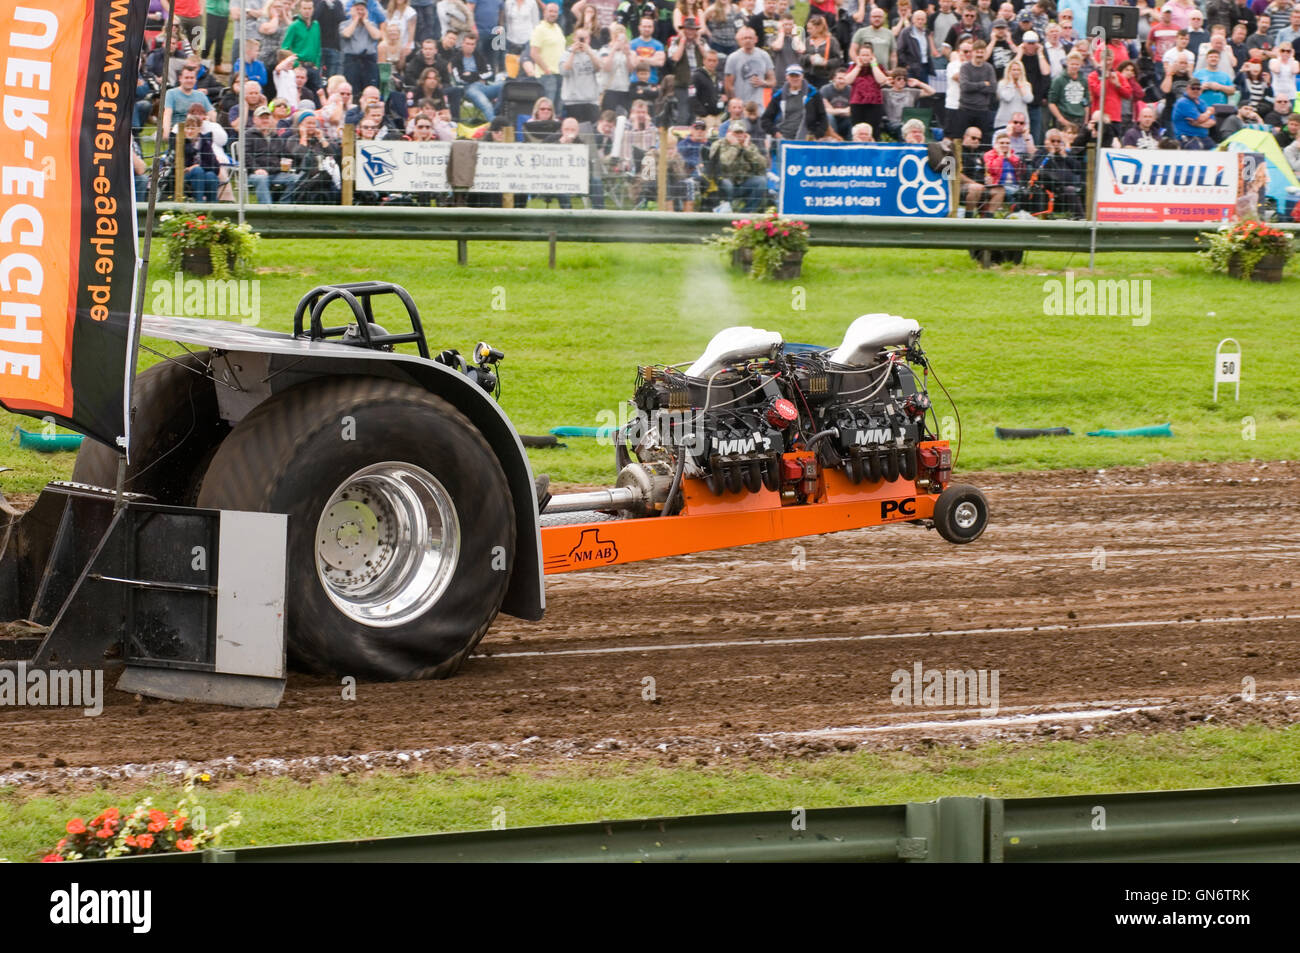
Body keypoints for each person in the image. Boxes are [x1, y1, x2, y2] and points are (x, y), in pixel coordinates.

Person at [709, 121, 768, 209]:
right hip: (724, 184)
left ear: (745, 134)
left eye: (741, 133)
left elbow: (763, 165)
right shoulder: (718, 144)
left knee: (761, 181)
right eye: (736, 133)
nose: (739, 135)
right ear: (729, 133)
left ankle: (747, 214)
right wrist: (735, 146)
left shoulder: (749, 146)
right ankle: (726, 213)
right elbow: (724, 163)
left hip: (743, 183)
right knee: (727, 183)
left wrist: (747, 149)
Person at [761, 63, 828, 141]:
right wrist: (776, 133)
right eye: (792, 76)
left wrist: (816, 135)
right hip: (783, 138)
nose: (794, 78)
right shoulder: (778, 96)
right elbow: (765, 119)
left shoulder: (813, 94)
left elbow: (823, 118)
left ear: (802, 76)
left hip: (806, 139)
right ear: (787, 77)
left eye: (797, 76)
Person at [666, 17, 710, 123]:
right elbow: (675, 58)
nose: (690, 31)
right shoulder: (675, 42)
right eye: (688, 29)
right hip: (682, 84)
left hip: (698, 85)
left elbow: (709, 58)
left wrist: (698, 43)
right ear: (683, 30)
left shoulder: (702, 42)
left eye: (693, 29)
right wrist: (682, 42)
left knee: (696, 116)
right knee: (683, 114)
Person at [454, 31, 503, 121]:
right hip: (469, 88)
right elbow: (459, 79)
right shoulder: (456, 58)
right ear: (463, 44)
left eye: (472, 44)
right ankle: (494, 127)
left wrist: (471, 75)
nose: (469, 46)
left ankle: (496, 111)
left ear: (475, 45)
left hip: (485, 86)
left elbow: (489, 72)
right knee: (485, 104)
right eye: (467, 43)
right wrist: (479, 76)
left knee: (505, 85)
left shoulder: (479, 55)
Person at [724, 26, 776, 106]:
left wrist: (763, 82)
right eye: (745, 38)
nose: (748, 40)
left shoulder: (764, 55)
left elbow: (773, 82)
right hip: (741, 106)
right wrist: (735, 104)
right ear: (740, 40)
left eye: (750, 38)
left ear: (756, 39)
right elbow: (728, 85)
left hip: (759, 106)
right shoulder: (733, 58)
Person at [561, 26, 603, 122]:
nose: (582, 41)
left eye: (585, 38)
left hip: (591, 101)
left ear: (589, 39)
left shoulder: (594, 53)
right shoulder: (566, 54)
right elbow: (564, 71)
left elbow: (600, 68)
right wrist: (573, 53)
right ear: (574, 38)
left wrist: (589, 52)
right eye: (580, 38)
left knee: (590, 133)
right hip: (572, 102)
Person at [957, 38, 996, 141]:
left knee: (983, 141)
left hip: (983, 110)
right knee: (963, 140)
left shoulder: (989, 68)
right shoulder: (965, 67)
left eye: (982, 52)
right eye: (977, 52)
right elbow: (965, 86)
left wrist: (973, 86)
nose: (979, 54)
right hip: (966, 109)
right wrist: (983, 84)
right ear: (972, 52)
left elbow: (992, 88)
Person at [342, 0, 383, 94]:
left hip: (368, 61)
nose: (360, 12)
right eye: (357, 9)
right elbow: (347, 34)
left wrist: (365, 21)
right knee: (353, 91)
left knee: (371, 90)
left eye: (362, 9)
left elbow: (377, 36)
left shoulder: (371, 25)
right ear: (352, 10)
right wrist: (355, 19)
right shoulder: (344, 24)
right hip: (352, 61)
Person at [531, 3, 567, 108]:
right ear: (544, 12)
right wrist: (546, 70)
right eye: (550, 11)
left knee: (558, 109)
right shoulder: (539, 29)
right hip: (546, 75)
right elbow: (533, 53)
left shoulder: (558, 28)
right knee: (546, 108)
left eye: (555, 12)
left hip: (559, 74)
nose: (553, 14)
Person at [844, 44, 887, 133]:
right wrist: (858, 66)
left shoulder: (878, 66)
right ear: (859, 56)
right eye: (863, 55)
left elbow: (881, 80)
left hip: (874, 103)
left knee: (873, 130)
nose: (865, 58)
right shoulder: (853, 67)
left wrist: (874, 65)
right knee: (857, 130)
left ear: (872, 56)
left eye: (867, 55)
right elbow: (847, 81)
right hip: (857, 103)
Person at [163, 64, 216, 131]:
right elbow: (167, 114)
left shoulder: (200, 95)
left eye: (192, 78)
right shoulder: (171, 93)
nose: (189, 80)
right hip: (178, 130)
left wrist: (211, 119)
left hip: (198, 130)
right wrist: (166, 133)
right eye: (186, 78)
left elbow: (211, 112)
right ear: (180, 78)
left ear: (195, 79)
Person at [981, 128, 1019, 213]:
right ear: (996, 144)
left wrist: (1010, 158)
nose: (1005, 145)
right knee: (1013, 194)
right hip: (998, 186)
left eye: (1007, 143)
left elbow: (1021, 171)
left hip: (1015, 186)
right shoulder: (989, 155)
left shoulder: (1013, 156)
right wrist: (1001, 155)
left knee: (1023, 193)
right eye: (1002, 143)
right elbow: (993, 170)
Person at [1171, 78, 1217, 147]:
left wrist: (1198, 124)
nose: (1195, 90)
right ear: (1187, 89)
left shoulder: (1202, 102)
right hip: (1187, 137)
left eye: (1198, 88)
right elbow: (1200, 118)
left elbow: (1213, 122)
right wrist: (1209, 112)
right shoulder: (1183, 102)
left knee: (1216, 151)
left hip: (1203, 137)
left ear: (1201, 90)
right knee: (1196, 151)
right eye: (1193, 88)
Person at [1047, 50, 1086, 131]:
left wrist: (1085, 121)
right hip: (1065, 117)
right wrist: (1061, 119)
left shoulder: (1083, 80)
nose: (1074, 66)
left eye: (1077, 64)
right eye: (1072, 64)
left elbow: (1086, 102)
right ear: (1067, 63)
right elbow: (1051, 103)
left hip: (1080, 119)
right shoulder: (1058, 80)